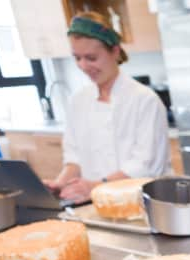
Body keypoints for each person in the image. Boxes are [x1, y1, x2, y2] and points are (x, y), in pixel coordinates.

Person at [44, 12, 170, 203]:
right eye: (77, 58)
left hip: (143, 204)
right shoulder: (78, 101)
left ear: (115, 52)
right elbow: (74, 157)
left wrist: (93, 186)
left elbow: (144, 166)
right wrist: (60, 184)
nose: (83, 66)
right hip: (95, 204)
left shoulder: (144, 100)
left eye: (91, 57)